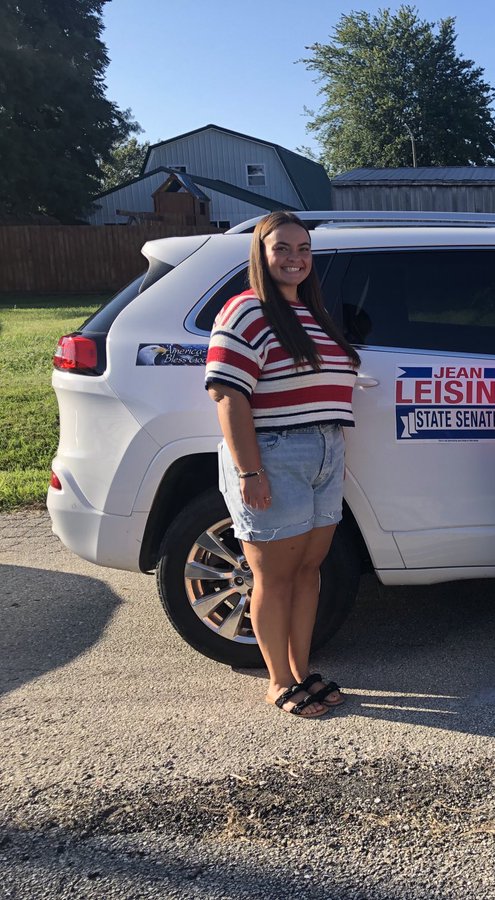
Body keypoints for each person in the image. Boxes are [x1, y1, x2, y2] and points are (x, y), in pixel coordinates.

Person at [205, 211, 361, 718]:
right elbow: (228, 395)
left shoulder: (312, 314)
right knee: (273, 575)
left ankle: (301, 669)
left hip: (324, 451)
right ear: (262, 254)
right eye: (283, 249)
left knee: (309, 570)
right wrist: (250, 472)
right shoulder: (246, 311)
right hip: (274, 454)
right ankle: (277, 681)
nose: (295, 259)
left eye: (303, 250)